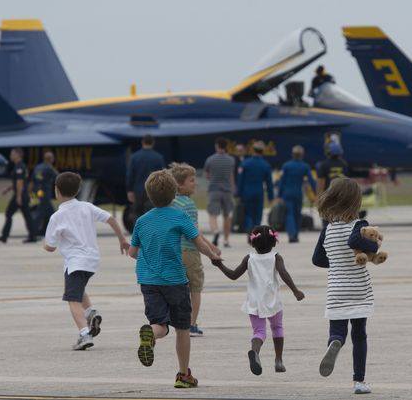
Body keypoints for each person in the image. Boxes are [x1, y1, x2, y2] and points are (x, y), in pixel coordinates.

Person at [128, 170, 220, 389]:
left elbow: (132, 252)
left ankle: (151, 334)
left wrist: (147, 257)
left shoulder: (142, 221)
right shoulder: (180, 216)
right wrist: (213, 256)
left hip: (148, 281)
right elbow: (198, 242)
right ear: (173, 193)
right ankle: (183, 375)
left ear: (150, 195)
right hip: (175, 281)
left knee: (159, 324)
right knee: (182, 328)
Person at [43, 172, 129, 350]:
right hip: (92, 260)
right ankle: (91, 313)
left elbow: (50, 247)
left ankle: (84, 334)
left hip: (76, 261)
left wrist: (48, 244)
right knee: (76, 288)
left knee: (72, 299)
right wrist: (122, 239)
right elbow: (111, 219)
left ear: (56, 191)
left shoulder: (57, 216)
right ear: (78, 190)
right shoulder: (87, 207)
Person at [312, 177, 382, 395]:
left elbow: (317, 259)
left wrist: (336, 262)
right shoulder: (359, 225)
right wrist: (374, 245)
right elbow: (354, 242)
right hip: (359, 290)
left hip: (336, 290)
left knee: (338, 331)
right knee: (359, 334)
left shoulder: (328, 230)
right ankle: (359, 381)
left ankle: (334, 343)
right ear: (355, 201)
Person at [212, 225, 304, 375]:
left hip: (254, 302)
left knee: (259, 332)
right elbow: (283, 273)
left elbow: (234, 275)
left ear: (252, 243)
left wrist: (220, 265)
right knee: (277, 328)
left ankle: (255, 351)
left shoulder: (249, 258)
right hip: (273, 301)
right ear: (274, 242)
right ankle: (279, 361)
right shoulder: (276, 257)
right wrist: (295, 291)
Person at [170, 163, 220, 337]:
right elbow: (194, 233)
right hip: (190, 252)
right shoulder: (189, 204)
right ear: (180, 185)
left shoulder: (171, 203)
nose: (195, 183)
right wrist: (211, 250)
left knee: (179, 287)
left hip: (174, 251)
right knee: (195, 288)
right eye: (191, 181)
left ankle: (177, 321)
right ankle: (191, 324)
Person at [0, 147, 37, 244]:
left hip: (20, 195)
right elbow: (19, 182)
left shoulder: (19, 167)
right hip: (23, 194)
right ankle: (33, 236)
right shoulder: (20, 166)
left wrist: (18, 197)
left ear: (18, 155)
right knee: (27, 216)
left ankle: (4, 236)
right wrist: (8, 189)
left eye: (12, 154)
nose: (11, 156)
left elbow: (20, 182)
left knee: (9, 214)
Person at [278, 145, 316, 243]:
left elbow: (281, 182)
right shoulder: (305, 166)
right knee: (297, 214)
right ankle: (296, 234)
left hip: (287, 193)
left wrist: (279, 195)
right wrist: (317, 192)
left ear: (292, 154)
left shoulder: (286, 166)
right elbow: (311, 181)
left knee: (289, 214)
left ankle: (291, 234)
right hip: (298, 193)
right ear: (302, 155)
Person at [204, 137, 236, 247]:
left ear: (217, 146)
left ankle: (216, 231)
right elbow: (231, 176)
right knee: (227, 215)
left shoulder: (210, 159)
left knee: (213, 214)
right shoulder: (231, 160)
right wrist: (232, 189)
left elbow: (207, 175)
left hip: (214, 190)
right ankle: (226, 240)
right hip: (227, 190)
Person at [237, 141, 274, 232]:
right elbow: (269, 183)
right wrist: (270, 197)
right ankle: (255, 234)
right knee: (258, 215)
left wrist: (238, 194)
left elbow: (240, 180)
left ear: (253, 150)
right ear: (262, 151)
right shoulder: (266, 165)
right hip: (259, 192)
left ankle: (249, 232)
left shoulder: (245, 163)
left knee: (248, 214)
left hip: (247, 192)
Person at [126, 135, 165, 222]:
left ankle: (138, 234)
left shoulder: (134, 157)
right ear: (153, 143)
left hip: (138, 190)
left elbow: (130, 175)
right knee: (153, 213)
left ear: (142, 142)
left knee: (137, 214)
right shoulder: (158, 158)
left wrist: (129, 190)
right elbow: (163, 176)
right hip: (153, 191)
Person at [31, 151, 58, 235]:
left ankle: (43, 231)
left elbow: (33, 180)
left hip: (37, 193)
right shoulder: (49, 168)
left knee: (49, 213)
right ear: (51, 159)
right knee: (42, 213)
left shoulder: (38, 167)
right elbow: (59, 177)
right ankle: (34, 232)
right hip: (45, 193)